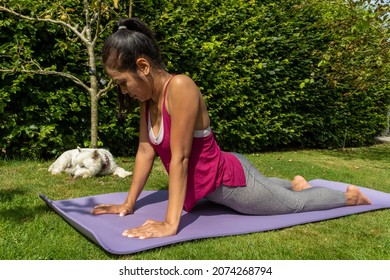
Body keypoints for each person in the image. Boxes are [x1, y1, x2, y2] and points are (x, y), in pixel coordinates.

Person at [91, 18, 371, 239]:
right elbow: (144, 150)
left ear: (143, 66)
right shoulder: (148, 100)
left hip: (229, 182)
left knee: (290, 205)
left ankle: (349, 196)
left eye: (123, 82)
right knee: (277, 192)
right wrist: (128, 204)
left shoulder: (180, 87)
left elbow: (181, 158)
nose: (124, 91)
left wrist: (170, 223)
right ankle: (296, 184)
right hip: (209, 187)